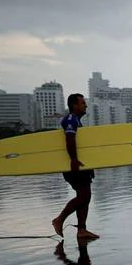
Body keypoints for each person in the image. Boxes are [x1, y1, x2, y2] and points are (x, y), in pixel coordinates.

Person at [51, 93, 99, 240]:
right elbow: (69, 139)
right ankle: (59, 220)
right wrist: (73, 159)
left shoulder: (77, 121)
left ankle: (82, 230)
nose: (85, 105)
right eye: (82, 103)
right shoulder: (71, 119)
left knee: (85, 197)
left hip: (81, 165)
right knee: (83, 196)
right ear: (74, 105)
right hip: (74, 165)